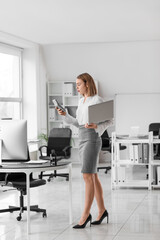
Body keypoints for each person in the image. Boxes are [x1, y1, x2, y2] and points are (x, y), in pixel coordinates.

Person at [56, 73, 113, 229]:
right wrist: (65, 115)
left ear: (87, 84)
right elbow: (77, 123)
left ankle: (85, 214)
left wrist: (97, 126)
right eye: (76, 84)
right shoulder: (81, 101)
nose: (77, 87)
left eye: (79, 84)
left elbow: (110, 120)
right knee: (93, 176)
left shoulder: (97, 100)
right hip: (81, 138)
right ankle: (102, 211)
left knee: (87, 175)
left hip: (92, 139)